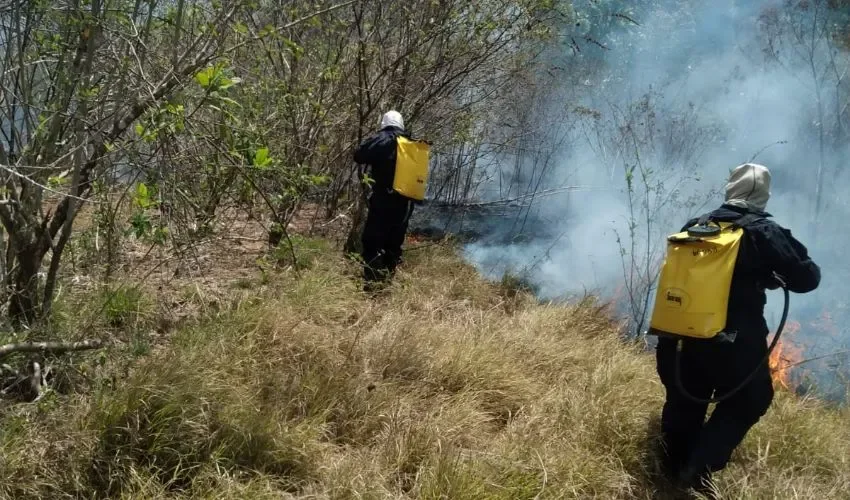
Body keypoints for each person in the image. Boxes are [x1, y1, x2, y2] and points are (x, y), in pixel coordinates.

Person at [655, 163, 821, 494]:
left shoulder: (697, 224)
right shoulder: (765, 232)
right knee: (751, 398)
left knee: (685, 398)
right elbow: (806, 278)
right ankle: (698, 466)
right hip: (733, 341)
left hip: (677, 335)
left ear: (730, 189)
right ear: (763, 196)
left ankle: (669, 470)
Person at [353, 110, 416, 291]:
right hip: (404, 204)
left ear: (384, 124)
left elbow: (359, 155)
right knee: (394, 243)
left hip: (383, 200)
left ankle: (371, 284)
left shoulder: (383, 139)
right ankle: (387, 281)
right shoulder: (412, 144)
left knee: (372, 240)